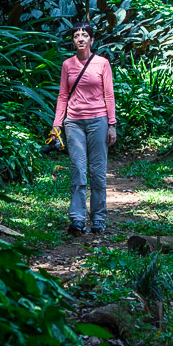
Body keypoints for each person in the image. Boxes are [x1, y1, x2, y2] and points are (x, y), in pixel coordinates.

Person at [51, 20, 116, 236]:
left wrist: (112, 124)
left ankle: (98, 218)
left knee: (97, 172)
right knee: (78, 171)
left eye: (84, 35)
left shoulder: (102, 63)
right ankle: (77, 219)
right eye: (76, 35)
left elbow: (109, 94)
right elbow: (62, 95)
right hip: (74, 123)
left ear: (92, 39)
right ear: (73, 40)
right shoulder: (67, 65)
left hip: (98, 121)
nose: (80, 38)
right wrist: (56, 125)